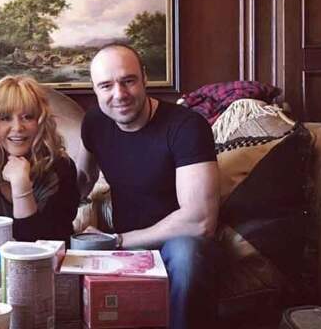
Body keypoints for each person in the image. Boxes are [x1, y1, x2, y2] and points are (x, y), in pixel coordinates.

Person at [78, 45, 221, 329]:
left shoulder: (186, 126)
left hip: (177, 240)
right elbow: (82, 180)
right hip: (124, 241)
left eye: (128, 80)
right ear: (95, 89)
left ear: (144, 78)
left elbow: (201, 221)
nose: (119, 94)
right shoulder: (94, 121)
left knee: (186, 255)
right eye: (106, 85)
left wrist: (118, 240)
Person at [0, 75, 79, 244]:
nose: (18, 127)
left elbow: (47, 243)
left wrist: (21, 186)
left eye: (28, 117)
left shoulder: (61, 166)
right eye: (5, 118)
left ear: (40, 122)